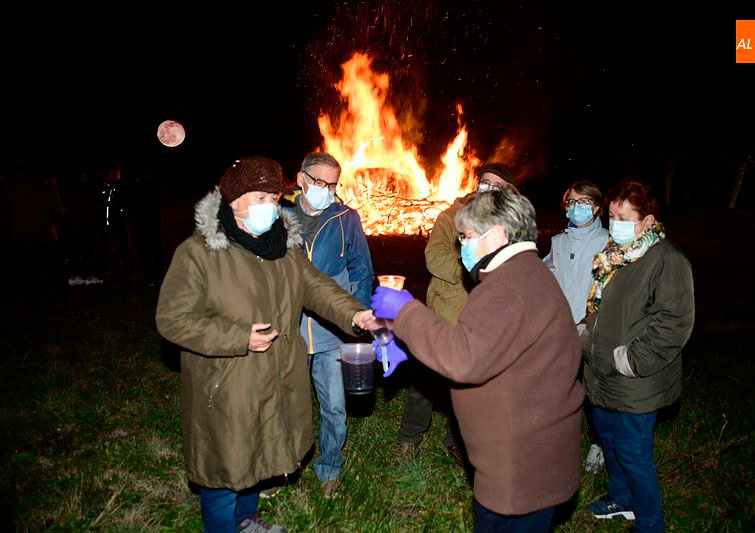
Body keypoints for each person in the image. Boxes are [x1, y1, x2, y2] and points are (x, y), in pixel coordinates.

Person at [155, 156, 375, 533]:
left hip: (277, 373)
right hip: (226, 381)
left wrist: (355, 315)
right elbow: (172, 320)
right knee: (226, 466)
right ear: (233, 200)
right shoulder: (199, 253)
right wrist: (238, 337)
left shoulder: (283, 248)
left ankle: (246, 519)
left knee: (258, 454)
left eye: (273, 198)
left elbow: (317, 287)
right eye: (258, 198)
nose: (268, 207)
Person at [371, 187, 584, 532]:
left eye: (467, 237)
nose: (462, 247)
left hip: (520, 472)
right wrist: (408, 347)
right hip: (532, 459)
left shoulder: (509, 287)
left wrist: (405, 310)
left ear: (497, 234)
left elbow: (464, 358)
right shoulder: (524, 274)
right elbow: (487, 354)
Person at [582, 178, 694, 532]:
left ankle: (650, 523)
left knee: (633, 452)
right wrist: (585, 337)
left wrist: (629, 360)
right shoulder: (616, 255)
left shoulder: (666, 259)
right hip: (602, 374)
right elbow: (603, 309)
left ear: (647, 220)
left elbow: (675, 321)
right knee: (611, 441)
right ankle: (622, 498)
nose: (614, 223)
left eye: (623, 216)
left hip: (635, 379)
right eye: (612, 215)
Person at [394, 162, 516, 468]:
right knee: (427, 380)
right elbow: (434, 257)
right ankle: (409, 438)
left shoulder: (509, 224)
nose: (488, 189)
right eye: (484, 183)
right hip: (448, 310)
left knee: (469, 385)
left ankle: (457, 441)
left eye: (496, 186)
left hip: (486, 314)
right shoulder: (451, 216)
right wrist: (476, 270)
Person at [282, 151, 375, 499]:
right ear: (301, 178)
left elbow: (362, 270)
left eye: (333, 184)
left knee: (334, 404)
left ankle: (330, 467)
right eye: (320, 182)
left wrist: (358, 318)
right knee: (286, 401)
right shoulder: (278, 215)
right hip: (288, 327)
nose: (326, 190)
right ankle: (284, 464)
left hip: (331, 329)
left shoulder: (345, 218)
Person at [543, 180, 609, 474]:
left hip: (590, 327)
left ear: (596, 207)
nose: (577, 207)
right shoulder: (558, 242)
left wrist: (591, 321)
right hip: (560, 327)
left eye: (584, 202)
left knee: (592, 389)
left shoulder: (608, 242)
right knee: (558, 388)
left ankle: (598, 444)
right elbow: (548, 273)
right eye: (571, 202)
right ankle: (558, 441)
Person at [0, 159, 66, 293]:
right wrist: (53, 224)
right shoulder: (48, 190)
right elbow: (59, 212)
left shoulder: (10, 191)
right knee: (56, 261)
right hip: (46, 233)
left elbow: (2, 210)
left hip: (23, 233)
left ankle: (28, 290)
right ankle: (60, 287)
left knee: (26, 263)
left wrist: (10, 224)